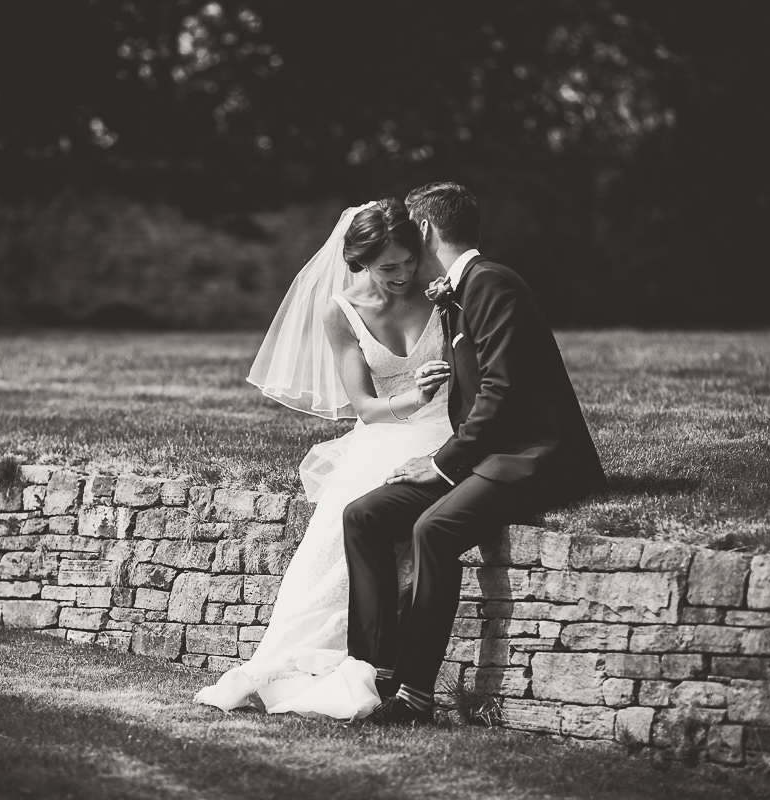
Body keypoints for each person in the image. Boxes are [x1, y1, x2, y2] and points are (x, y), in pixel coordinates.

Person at [344, 182, 607, 724]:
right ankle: (371, 673)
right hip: (487, 454)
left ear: (423, 231)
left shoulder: (490, 284)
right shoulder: (458, 290)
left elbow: (504, 393)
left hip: (534, 456)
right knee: (364, 516)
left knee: (433, 530)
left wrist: (442, 462)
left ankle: (416, 697)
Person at [193, 199, 453, 719]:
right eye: (388, 268)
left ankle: (385, 664)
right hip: (390, 429)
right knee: (338, 533)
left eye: (407, 262)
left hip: (451, 427)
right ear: (360, 264)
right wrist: (415, 399)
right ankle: (314, 662)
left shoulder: (440, 292)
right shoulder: (341, 311)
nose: (402, 275)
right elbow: (364, 407)